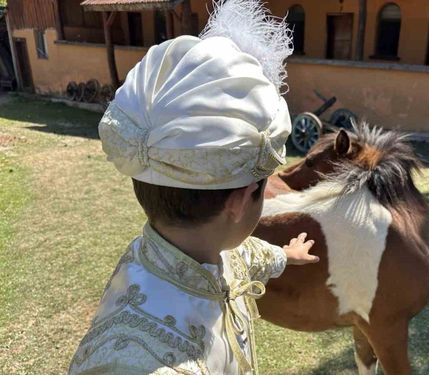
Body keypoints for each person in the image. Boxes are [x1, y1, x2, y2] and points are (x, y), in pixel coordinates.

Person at [67, 1, 318, 374]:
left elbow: (246, 257)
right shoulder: (129, 366)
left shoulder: (195, 252)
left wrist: (286, 256)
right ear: (241, 199)